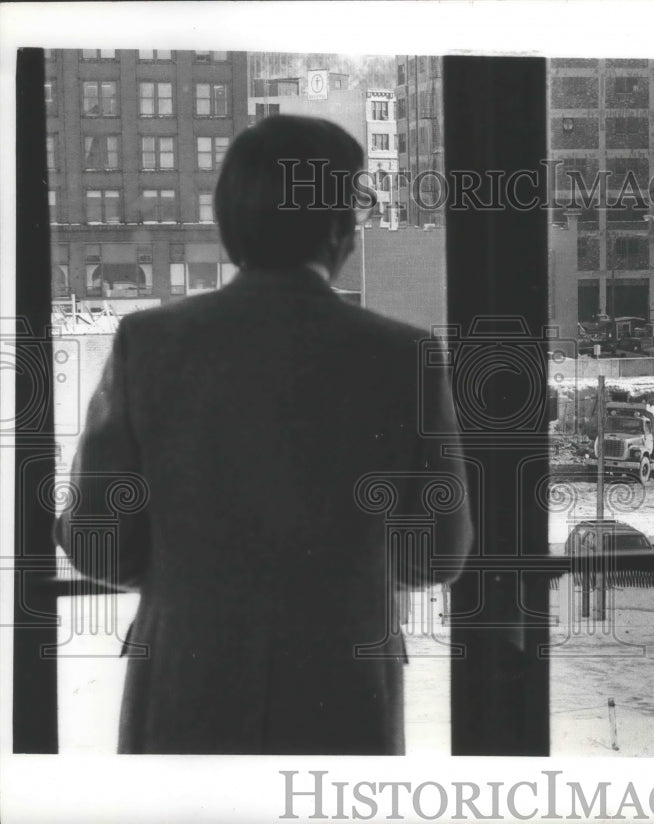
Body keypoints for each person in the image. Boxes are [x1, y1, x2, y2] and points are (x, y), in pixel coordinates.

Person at [54, 115, 473, 754]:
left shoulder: (149, 345)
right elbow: (438, 553)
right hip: (341, 697)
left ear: (229, 222)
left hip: (186, 694)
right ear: (338, 228)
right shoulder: (404, 357)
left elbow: (98, 540)